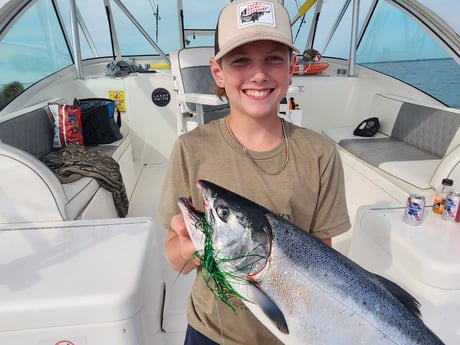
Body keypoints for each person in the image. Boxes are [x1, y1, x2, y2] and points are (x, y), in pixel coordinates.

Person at [159, 1, 350, 344]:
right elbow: (178, 262)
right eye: (241, 60)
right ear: (217, 71)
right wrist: (192, 245)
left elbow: (322, 265)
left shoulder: (320, 154)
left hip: (293, 334)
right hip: (210, 332)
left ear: (292, 67)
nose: (259, 74)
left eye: (273, 58)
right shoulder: (190, 149)